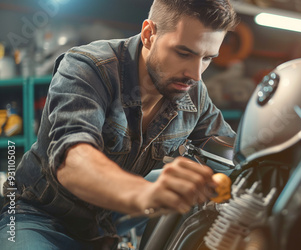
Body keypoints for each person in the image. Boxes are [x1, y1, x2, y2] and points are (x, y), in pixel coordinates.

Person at [0, 0, 238, 249]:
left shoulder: (193, 93)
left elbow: (235, 153)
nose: (196, 74)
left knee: (191, 184)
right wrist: (142, 194)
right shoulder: (88, 68)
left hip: (111, 218)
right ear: (149, 34)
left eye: (207, 58)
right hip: (39, 216)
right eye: (184, 53)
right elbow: (72, 161)